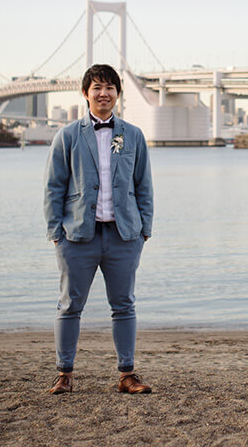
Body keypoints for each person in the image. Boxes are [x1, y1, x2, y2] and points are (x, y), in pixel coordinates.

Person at [43, 63, 154, 395]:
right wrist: (55, 232)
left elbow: (144, 185)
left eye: (110, 88)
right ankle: (64, 374)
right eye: (97, 87)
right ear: (85, 93)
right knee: (69, 306)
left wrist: (144, 230)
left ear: (118, 94)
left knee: (124, 305)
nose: (103, 93)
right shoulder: (67, 136)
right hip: (77, 236)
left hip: (123, 236)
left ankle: (127, 375)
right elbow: (53, 187)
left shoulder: (132, 135)